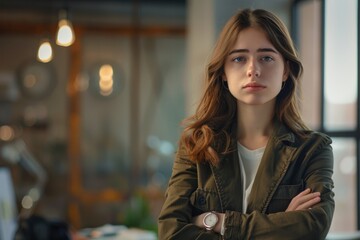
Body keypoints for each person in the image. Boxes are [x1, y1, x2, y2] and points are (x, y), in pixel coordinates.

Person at [158, 8, 334, 240]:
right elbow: (171, 232)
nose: (253, 70)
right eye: (239, 58)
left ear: (285, 70)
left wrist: (219, 222)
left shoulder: (312, 149)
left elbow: (314, 225)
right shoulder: (197, 144)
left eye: (266, 58)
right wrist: (281, 225)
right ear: (223, 72)